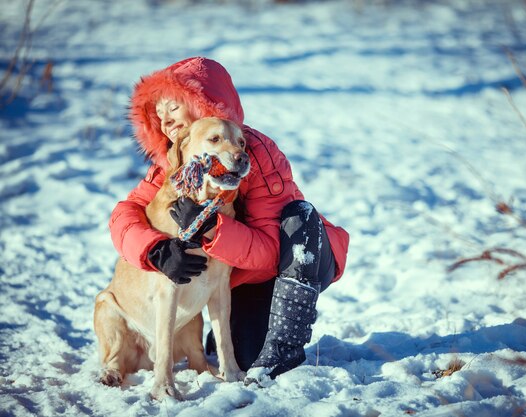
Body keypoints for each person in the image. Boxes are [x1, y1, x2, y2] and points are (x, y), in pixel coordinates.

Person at [109, 57, 349, 383]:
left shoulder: (255, 153)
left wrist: (211, 228)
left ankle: (286, 342)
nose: (165, 121)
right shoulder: (178, 161)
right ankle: (232, 334)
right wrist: (154, 249)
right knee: (248, 356)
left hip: (297, 257)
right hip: (237, 278)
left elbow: (269, 253)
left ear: (200, 103)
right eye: (160, 115)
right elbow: (125, 214)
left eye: (173, 108)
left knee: (298, 218)